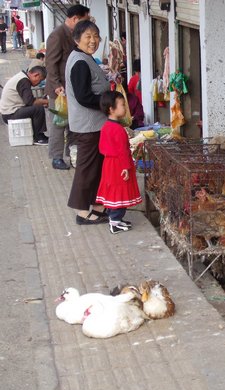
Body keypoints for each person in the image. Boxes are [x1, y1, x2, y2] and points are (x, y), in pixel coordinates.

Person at [65, 20, 110, 225]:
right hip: (88, 125)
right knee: (87, 167)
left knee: (97, 167)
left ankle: (97, 206)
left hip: (94, 125)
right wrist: (109, 102)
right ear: (77, 39)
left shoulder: (84, 57)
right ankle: (82, 211)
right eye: (88, 37)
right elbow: (83, 96)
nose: (93, 41)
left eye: (95, 36)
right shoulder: (80, 61)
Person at [44, 4, 90, 170]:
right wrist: (56, 85)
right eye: (85, 20)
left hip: (72, 88)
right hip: (59, 91)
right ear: (75, 19)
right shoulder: (58, 35)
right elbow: (50, 63)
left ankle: (72, 154)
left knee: (73, 123)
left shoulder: (75, 35)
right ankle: (56, 157)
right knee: (58, 124)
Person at [96, 91, 142, 234]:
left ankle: (115, 219)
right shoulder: (118, 130)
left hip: (109, 164)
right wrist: (126, 167)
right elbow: (122, 151)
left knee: (113, 191)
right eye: (122, 105)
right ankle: (115, 222)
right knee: (120, 192)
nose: (125, 108)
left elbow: (102, 148)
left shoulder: (105, 127)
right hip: (119, 165)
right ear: (111, 109)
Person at [0, 66, 49, 145]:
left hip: (11, 111)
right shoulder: (24, 81)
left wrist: (42, 101)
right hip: (10, 114)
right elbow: (30, 101)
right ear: (36, 75)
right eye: (40, 80)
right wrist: (47, 101)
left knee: (36, 107)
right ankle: (38, 137)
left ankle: (36, 134)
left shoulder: (22, 77)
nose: (39, 83)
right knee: (38, 109)